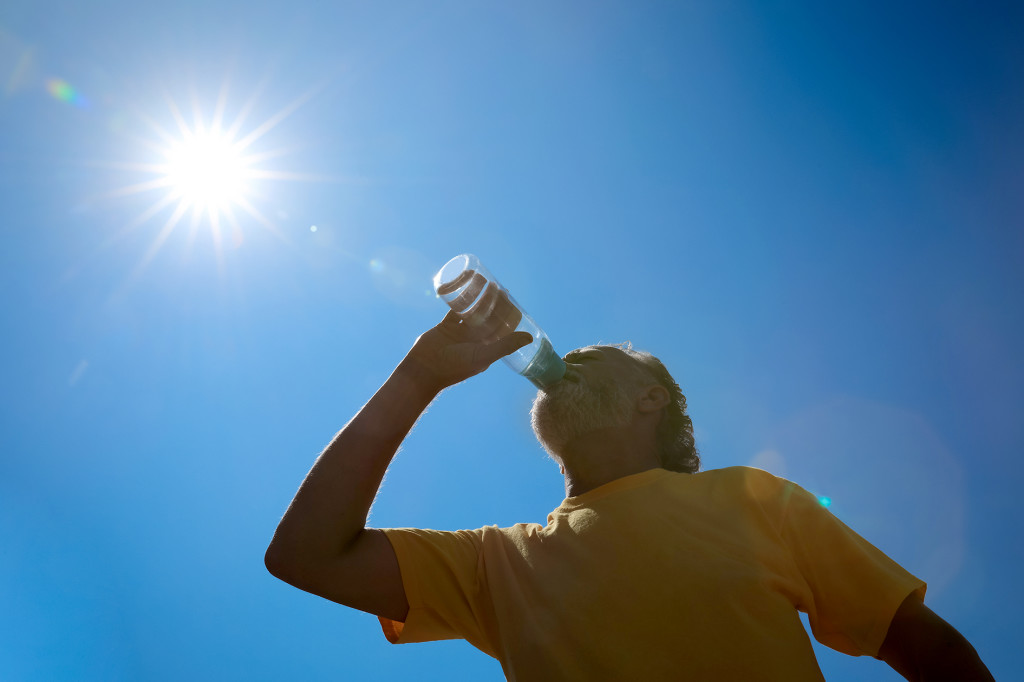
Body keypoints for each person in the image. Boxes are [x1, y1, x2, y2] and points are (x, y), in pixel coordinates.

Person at [265, 310, 994, 681]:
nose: (564, 363)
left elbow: (924, 644)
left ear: (652, 399)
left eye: (591, 360)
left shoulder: (751, 499)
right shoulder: (499, 562)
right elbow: (305, 556)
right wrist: (418, 374)